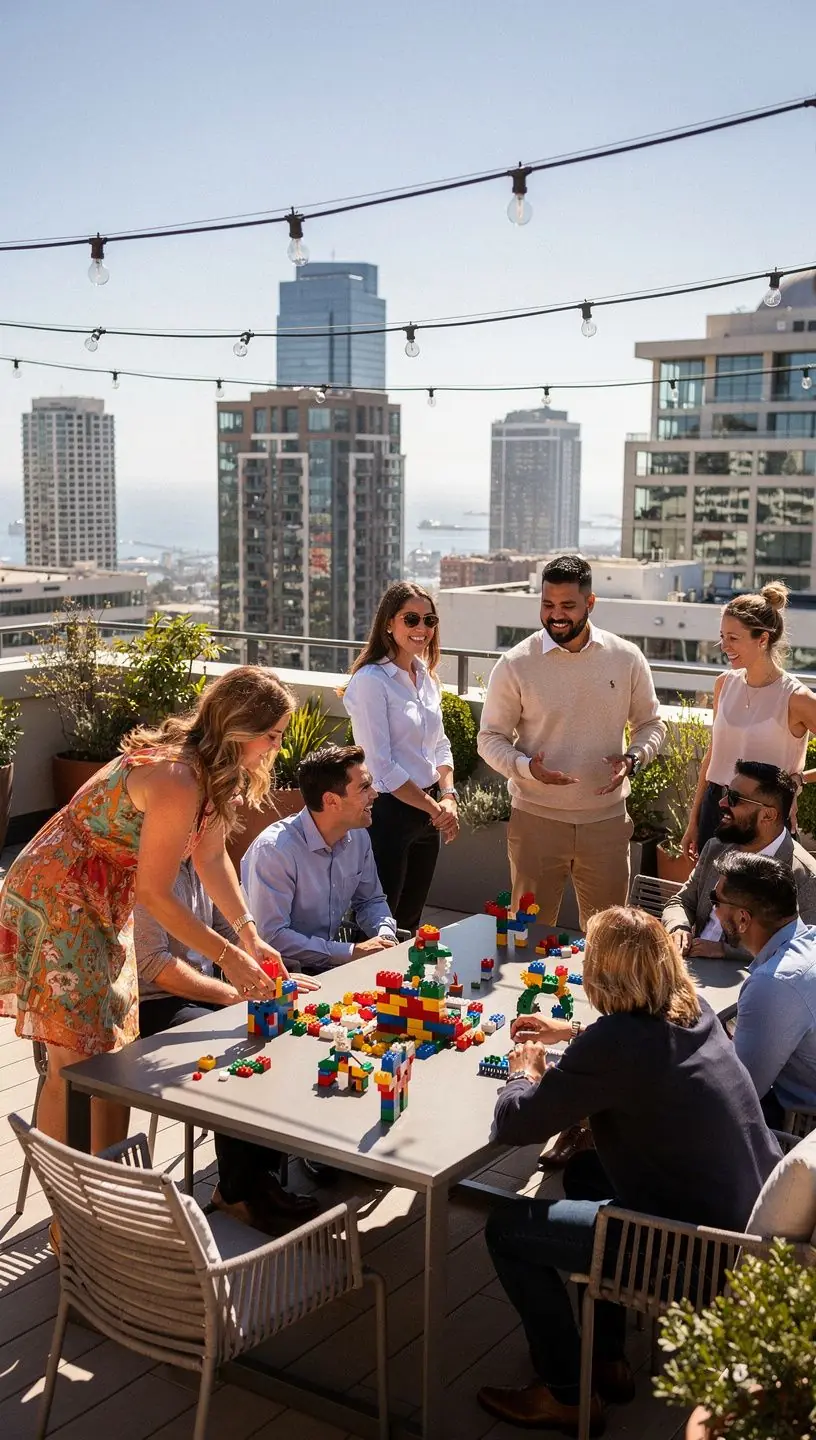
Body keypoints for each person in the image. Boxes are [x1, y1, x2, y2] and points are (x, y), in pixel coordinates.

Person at [478, 906, 780, 1435]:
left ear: (602, 973)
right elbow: (634, 1045)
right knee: (587, 1173)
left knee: (506, 1229)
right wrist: (571, 1031)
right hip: (742, 1220)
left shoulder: (617, 1045)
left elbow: (516, 1124)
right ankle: (607, 1360)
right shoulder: (696, 1011)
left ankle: (567, 1392)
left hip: (694, 1249)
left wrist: (523, 1075)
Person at [0, 666, 316, 1154]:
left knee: (114, 1052)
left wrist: (248, 934)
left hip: (103, 894)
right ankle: (70, 1220)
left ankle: (108, 1191)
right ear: (240, 728)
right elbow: (155, 894)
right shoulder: (176, 777)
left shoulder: (212, 772)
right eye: (271, 736)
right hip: (59, 895)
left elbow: (210, 858)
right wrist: (229, 957)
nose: (274, 748)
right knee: (72, 1059)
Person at [477, 554, 666, 929]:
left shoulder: (626, 657)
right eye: (547, 605)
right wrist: (525, 768)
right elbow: (490, 738)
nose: (555, 615)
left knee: (609, 944)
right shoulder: (516, 663)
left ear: (590, 603)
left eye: (567, 605)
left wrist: (633, 759)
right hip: (536, 822)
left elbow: (651, 725)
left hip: (607, 824)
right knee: (526, 936)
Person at [135, 857, 318, 1229]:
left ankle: (261, 1174)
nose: (233, 806)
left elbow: (227, 931)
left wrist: (261, 969)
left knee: (281, 1035)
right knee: (243, 1054)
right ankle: (238, 1190)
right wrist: (236, 995)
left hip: (205, 992)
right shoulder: (151, 866)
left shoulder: (200, 860)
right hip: (153, 1004)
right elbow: (154, 966)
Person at [342, 583, 459, 932]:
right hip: (388, 813)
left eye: (429, 619)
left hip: (428, 809)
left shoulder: (427, 678)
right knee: (380, 920)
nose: (421, 628)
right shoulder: (370, 681)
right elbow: (380, 766)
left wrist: (449, 796)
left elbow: (440, 744)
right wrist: (435, 808)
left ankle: (404, 986)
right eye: (411, 619)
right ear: (389, 624)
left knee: (411, 918)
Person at [682, 584, 816, 860]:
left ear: (762, 639)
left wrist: (797, 781)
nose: (724, 646)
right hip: (715, 809)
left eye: (732, 638)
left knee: (759, 901)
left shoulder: (796, 697)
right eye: (722, 636)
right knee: (710, 898)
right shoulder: (724, 684)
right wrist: (693, 820)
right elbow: (713, 756)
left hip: (763, 817)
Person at [242, 744, 398, 973]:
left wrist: (385, 935)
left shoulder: (359, 838)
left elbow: (370, 901)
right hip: (280, 977)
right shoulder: (275, 851)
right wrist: (349, 952)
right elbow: (272, 937)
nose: (374, 794)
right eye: (364, 787)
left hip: (331, 969)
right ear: (331, 800)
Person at [664, 760, 816, 963]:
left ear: (768, 815)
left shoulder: (804, 876)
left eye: (735, 798)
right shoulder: (715, 848)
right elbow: (682, 901)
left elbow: (804, 948)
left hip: (751, 982)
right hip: (691, 967)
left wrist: (724, 950)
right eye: (727, 792)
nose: (722, 803)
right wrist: (679, 928)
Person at [712, 850, 816, 1126]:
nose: (713, 910)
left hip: (799, 1135)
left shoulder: (773, 983)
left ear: (743, 919)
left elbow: (737, 1094)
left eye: (716, 901)